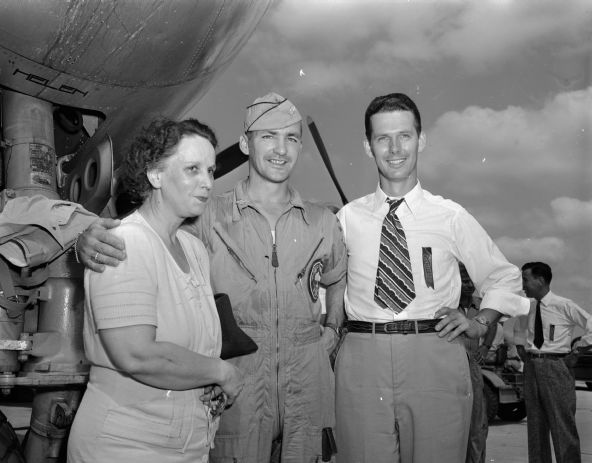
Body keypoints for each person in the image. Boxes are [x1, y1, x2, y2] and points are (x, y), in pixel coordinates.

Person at [76, 93, 347, 463]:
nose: (281, 149)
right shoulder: (202, 219)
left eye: (291, 138)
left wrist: (332, 329)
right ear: (245, 144)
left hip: (291, 397)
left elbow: (336, 277)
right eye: (268, 136)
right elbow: (143, 230)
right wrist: (82, 238)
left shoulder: (321, 223)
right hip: (225, 402)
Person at [334, 93, 529, 463]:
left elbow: (504, 277)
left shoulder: (450, 216)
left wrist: (481, 320)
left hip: (434, 353)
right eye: (382, 138)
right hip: (362, 357)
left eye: (405, 136)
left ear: (420, 140)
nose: (395, 148)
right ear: (367, 146)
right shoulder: (346, 219)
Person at [66, 118, 244, 462]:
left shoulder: (193, 250)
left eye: (210, 170)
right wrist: (221, 372)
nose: (207, 182)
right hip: (126, 444)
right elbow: (136, 354)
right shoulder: (124, 242)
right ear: (155, 175)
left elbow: (191, 348)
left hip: (186, 444)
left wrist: (206, 379)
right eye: (192, 169)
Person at [521, 261, 592, 463]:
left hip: (556, 367)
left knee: (562, 426)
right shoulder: (528, 308)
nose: (523, 285)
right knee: (536, 428)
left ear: (540, 280)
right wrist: (523, 351)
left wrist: (579, 348)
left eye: (525, 280)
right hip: (532, 367)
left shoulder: (564, 305)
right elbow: (520, 331)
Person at [458, 263, 498, 463]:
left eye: (470, 279)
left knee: (477, 424)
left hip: (472, 366)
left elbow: (492, 325)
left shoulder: (481, 305)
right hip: (449, 368)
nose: (467, 283)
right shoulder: (447, 303)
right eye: (462, 278)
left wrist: (485, 347)